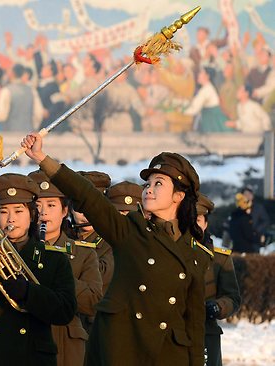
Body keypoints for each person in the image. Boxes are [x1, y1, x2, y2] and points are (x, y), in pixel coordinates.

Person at [22, 133, 207, 365]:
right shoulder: (129, 231)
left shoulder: (197, 253)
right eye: (147, 184)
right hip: (122, 348)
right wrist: (42, 158)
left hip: (168, 354)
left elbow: (195, 323)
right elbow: (89, 197)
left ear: (179, 195)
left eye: (158, 183)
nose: (149, 189)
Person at [0, 173, 77, 365]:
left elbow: (65, 311)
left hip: (33, 357)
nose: (11, 219)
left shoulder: (53, 258)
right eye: (3, 212)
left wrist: (29, 292)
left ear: (32, 215)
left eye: (18, 211)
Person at [29, 170, 102, 366]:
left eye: (51, 205)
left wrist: (56, 270)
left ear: (64, 212)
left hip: (66, 348)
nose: (43, 212)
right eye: (37, 206)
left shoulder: (83, 253)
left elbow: (92, 302)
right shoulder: (15, 250)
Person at [196, 194, 241, 366]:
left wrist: (218, 306)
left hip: (206, 334)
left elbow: (233, 297)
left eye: (198, 220)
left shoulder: (220, 259)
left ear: (206, 224)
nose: (193, 225)